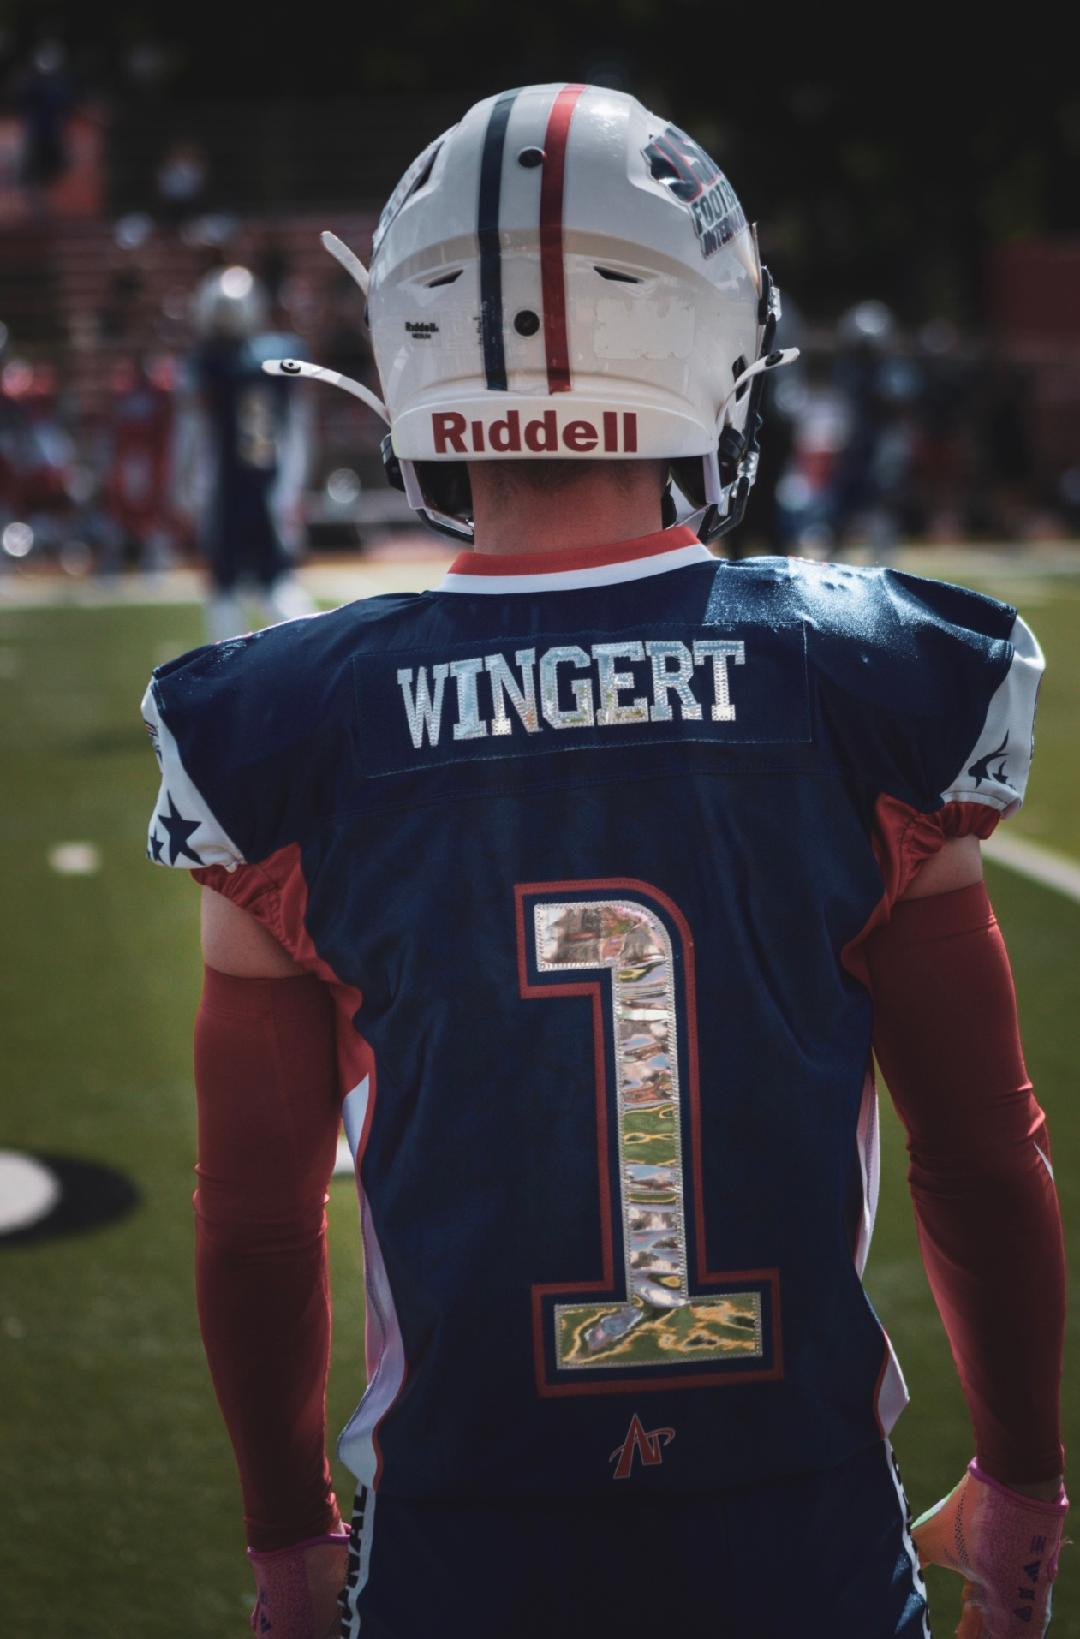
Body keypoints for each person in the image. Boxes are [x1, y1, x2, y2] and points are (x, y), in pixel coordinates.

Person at [142, 86, 1067, 1638]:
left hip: (465, 1540)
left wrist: (287, 1536)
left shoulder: (281, 728)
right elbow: (981, 1156)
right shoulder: (866, 677)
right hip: (799, 1534)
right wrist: (1026, 1492)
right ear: (708, 336)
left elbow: (251, 1218)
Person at [171, 264, 315, 642]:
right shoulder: (283, 354)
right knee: (277, 582)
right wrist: (292, 490)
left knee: (224, 587)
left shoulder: (206, 366)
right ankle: (311, 652)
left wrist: (184, 490)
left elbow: (192, 436)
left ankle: (226, 672)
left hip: (227, 490)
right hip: (271, 485)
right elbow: (298, 430)